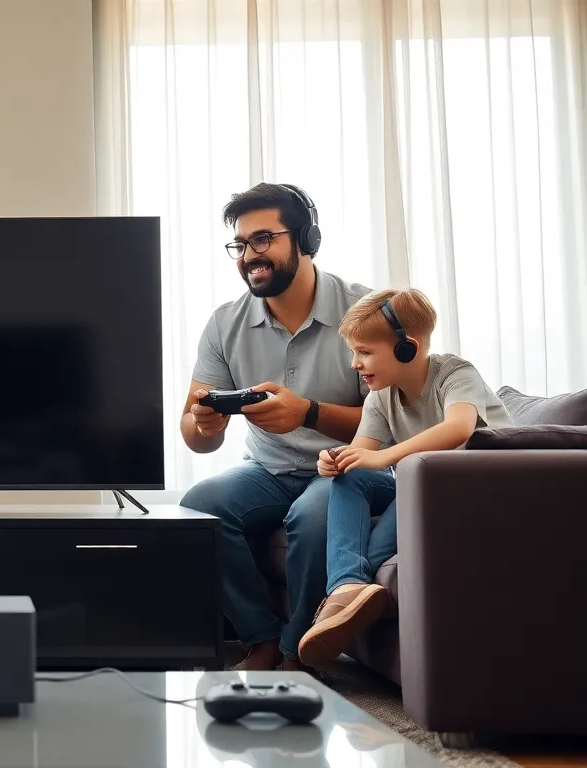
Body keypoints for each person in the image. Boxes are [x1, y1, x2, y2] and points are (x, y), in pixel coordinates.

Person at [178, 183, 372, 672]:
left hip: (347, 471)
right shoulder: (225, 323)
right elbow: (195, 437)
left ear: (307, 239)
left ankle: (297, 654)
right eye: (240, 245)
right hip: (267, 470)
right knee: (198, 507)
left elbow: (391, 425)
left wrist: (307, 412)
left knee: (313, 517)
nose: (249, 256)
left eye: (263, 240)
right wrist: (205, 423)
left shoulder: (365, 312)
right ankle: (259, 639)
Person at [297, 288, 511, 668]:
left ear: (406, 348)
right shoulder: (380, 397)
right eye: (353, 352)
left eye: (363, 351)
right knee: (349, 476)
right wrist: (332, 461)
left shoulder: (455, 373)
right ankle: (346, 587)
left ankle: (349, 601)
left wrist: (384, 456)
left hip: (468, 488)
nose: (354, 364)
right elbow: (361, 455)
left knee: (379, 548)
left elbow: (458, 429)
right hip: (419, 485)